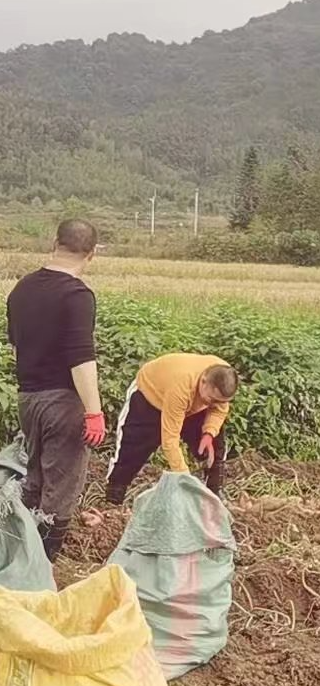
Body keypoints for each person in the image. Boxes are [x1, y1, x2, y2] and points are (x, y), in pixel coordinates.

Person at [5, 219, 106, 561]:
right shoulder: (77, 295)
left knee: (34, 479)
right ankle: (41, 567)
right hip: (62, 403)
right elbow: (81, 357)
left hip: (28, 398)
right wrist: (93, 411)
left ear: (55, 242)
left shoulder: (22, 289)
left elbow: (17, 347)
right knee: (60, 490)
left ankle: (17, 550)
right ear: (91, 254)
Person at [105, 353, 238, 503]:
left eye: (220, 401)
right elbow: (170, 440)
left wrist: (209, 432)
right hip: (151, 396)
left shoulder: (224, 376)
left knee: (215, 444)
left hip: (192, 402)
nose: (215, 403)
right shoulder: (181, 386)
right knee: (134, 444)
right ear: (203, 381)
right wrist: (184, 478)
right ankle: (115, 490)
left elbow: (219, 409)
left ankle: (214, 490)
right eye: (212, 399)